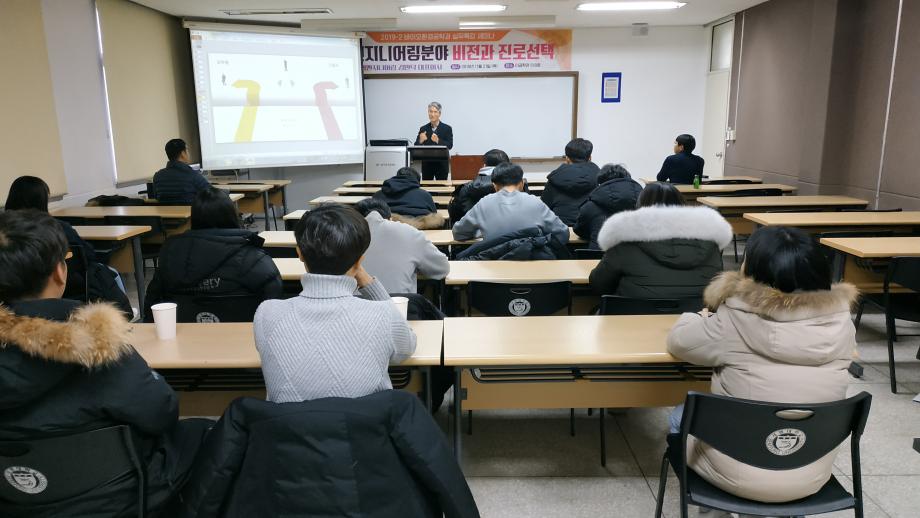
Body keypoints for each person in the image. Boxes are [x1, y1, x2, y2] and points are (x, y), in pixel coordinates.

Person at [0, 210, 210, 517]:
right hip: (120, 498)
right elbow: (161, 412)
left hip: (16, 500)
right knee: (204, 433)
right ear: (59, 272)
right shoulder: (101, 348)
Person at [666, 225, 858, 504]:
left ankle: (715, 507)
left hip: (736, 476)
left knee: (678, 415)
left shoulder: (733, 320)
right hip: (809, 475)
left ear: (752, 272)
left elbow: (679, 342)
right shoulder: (842, 325)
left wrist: (696, 317)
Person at [254, 204, 417, 402]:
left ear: (299, 254)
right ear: (360, 262)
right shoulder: (383, 314)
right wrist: (366, 280)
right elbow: (407, 348)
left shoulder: (266, 313)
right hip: (364, 421)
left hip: (286, 422)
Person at [144, 187, 282, 319]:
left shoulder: (171, 254)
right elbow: (275, 300)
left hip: (182, 333)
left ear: (194, 218)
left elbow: (153, 302)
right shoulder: (253, 257)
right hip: (243, 334)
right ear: (231, 215)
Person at [4, 175, 131, 316]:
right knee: (109, 272)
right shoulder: (55, 228)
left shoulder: (4, 230)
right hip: (72, 286)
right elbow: (88, 254)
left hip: (13, 297)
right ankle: (125, 316)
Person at [589, 183, 731, 298]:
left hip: (634, 318)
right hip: (695, 320)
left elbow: (598, 285)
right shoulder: (710, 243)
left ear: (641, 207)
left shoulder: (624, 241)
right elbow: (717, 287)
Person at [452, 162, 569, 244]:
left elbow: (458, 233)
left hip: (493, 265)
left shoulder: (484, 203)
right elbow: (563, 233)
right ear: (522, 183)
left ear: (494, 186)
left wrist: (482, 230)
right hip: (531, 264)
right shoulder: (535, 202)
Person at [354, 198, 449, 294]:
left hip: (350, 302)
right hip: (401, 302)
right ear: (391, 219)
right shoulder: (409, 232)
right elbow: (442, 269)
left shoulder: (347, 236)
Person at [573, 164, 643, 250]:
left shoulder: (590, 206)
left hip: (599, 255)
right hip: (637, 256)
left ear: (600, 183)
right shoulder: (645, 204)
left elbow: (579, 229)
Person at [540, 138, 599, 226]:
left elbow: (543, 209)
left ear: (567, 158)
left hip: (560, 228)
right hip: (588, 228)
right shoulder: (597, 178)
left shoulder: (555, 178)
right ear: (590, 158)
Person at [447, 148, 509, 222]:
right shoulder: (515, 187)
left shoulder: (465, 188)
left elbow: (455, 216)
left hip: (472, 228)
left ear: (484, 166)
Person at [372, 166, 444, 229]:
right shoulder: (425, 195)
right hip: (422, 232)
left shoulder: (378, 195)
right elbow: (434, 214)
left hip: (386, 231)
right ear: (417, 181)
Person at [152, 138, 210, 204]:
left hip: (165, 211)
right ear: (183, 153)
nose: (188, 153)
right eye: (187, 150)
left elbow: (156, 197)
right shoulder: (193, 176)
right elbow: (212, 195)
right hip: (190, 210)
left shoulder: (157, 176)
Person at [414, 101, 454, 181]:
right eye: (430, 111)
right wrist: (420, 141)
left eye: (435, 112)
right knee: (427, 187)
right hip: (427, 164)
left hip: (442, 164)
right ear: (428, 113)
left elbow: (450, 145)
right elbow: (416, 146)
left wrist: (438, 140)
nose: (432, 114)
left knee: (442, 187)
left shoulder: (447, 128)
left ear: (439, 114)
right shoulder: (423, 128)